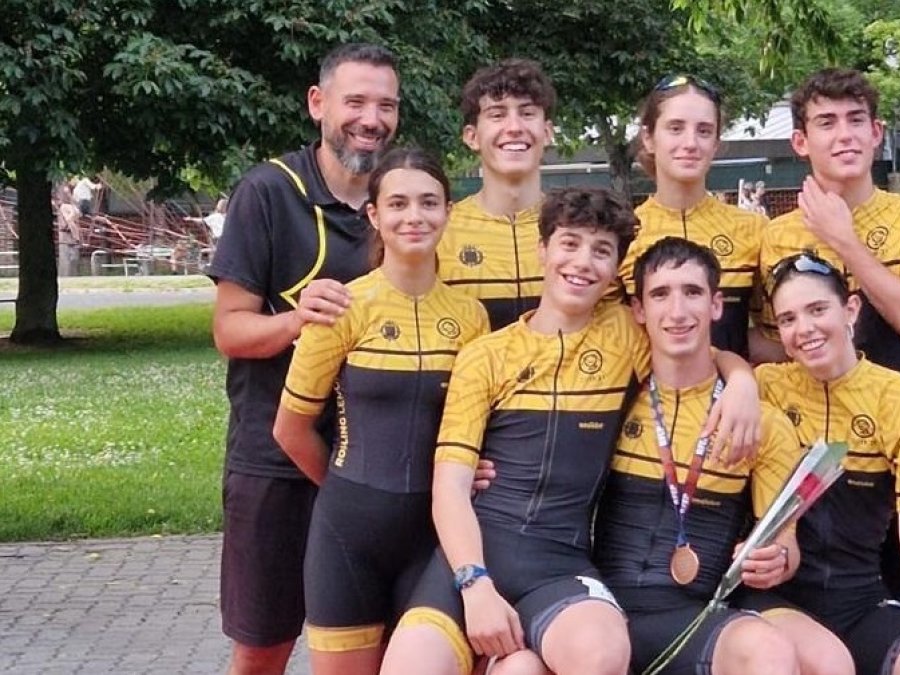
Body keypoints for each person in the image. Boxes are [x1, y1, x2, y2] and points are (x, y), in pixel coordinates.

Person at [381, 188, 763, 675]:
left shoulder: (628, 333)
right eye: (569, 243)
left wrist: (743, 381)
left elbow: (696, 352)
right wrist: (475, 585)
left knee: (601, 654)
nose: (583, 262)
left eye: (601, 250)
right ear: (542, 249)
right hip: (471, 558)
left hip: (557, 566)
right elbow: (450, 487)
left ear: (614, 270)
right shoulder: (486, 354)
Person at [207, 43, 400, 675]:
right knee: (265, 646)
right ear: (319, 104)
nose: (371, 118)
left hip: (374, 471)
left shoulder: (402, 202)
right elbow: (230, 331)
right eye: (356, 101)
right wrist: (300, 319)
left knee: (371, 646)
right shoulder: (269, 191)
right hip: (275, 466)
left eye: (386, 105)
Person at [273, 147, 489, 675]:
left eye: (428, 203)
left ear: (448, 212)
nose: (413, 216)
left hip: (435, 537)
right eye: (397, 204)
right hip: (349, 535)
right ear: (374, 215)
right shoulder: (343, 307)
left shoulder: (471, 318)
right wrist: (351, 489)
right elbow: (291, 429)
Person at [595, 236, 852, 675]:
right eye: (660, 294)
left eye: (692, 293)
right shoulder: (610, 394)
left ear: (716, 305)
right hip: (601, 606)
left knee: (818, 660)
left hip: (702, 608)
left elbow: (784, 543)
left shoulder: (761, 422)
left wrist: (777, 561)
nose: (677, 312)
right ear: (638, 310)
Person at [754, 67, 900, 602]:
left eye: (855, 120)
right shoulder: (775, 237)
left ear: (876, 132)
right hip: (800, 453)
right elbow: (777, 345)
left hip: (891, 444)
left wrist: (844, 241)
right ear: (801, 141)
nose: (843, 134)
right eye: (826, 123)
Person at [741, 251, 900, 675]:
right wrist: (735, 378)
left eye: (817, 310)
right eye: (788, 319)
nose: (805, 330)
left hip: (860, 601)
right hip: (776, 601)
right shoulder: (763, 387)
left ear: (851, 309)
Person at [617, 75, 766, 359]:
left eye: (704, 131)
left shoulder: (754, 230)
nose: (690, 143)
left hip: (731, 399)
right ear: (648, 138)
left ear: (716, 143)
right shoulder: (623, 234)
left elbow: (772, 335)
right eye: (675, 128)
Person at [437, 59, 556, 329]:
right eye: (497, 114)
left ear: (547, 132)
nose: (514, 127)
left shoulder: (578, 228)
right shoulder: (439, 230)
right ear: (472, 136)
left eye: (527, 113)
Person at [56, 195, 82, 276]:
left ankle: (76, 238)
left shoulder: (63, 207)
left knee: (69, 221)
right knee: (70, 222)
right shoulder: (65, 207)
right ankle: (76, 238)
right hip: (74, 212)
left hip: (73, 212)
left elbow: (73, 213)